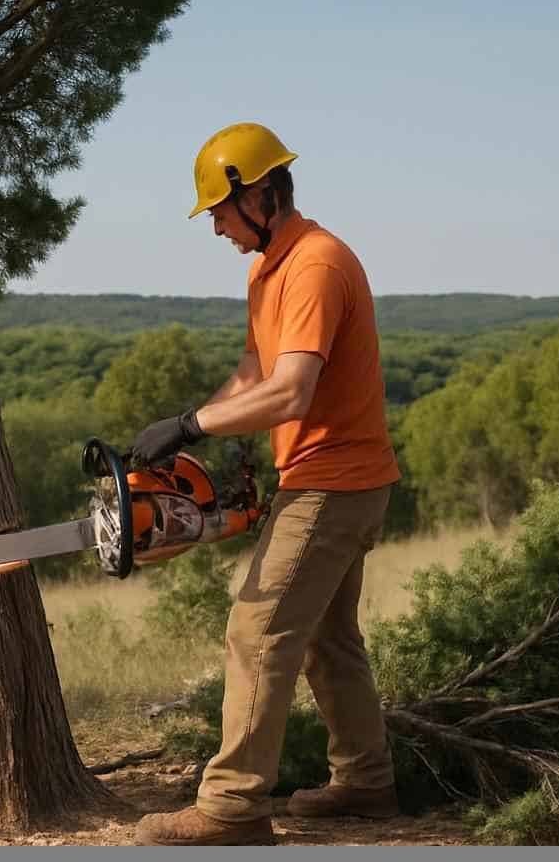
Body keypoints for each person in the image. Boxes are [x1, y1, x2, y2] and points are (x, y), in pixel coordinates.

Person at [131, 122, 403, 847]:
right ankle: (366, 782)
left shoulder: (315, 265)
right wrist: (195, 430)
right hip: (334, 478)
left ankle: (232, 810)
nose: (215, 228)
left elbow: (291, 393)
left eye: (218, 212)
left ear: (256, 195)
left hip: (333, 484)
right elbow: (253, 376)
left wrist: (190, 426)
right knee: (327, 637)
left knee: (256, 630)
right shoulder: (269, 269)